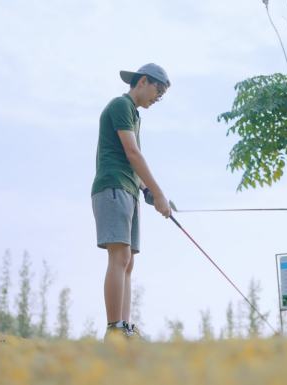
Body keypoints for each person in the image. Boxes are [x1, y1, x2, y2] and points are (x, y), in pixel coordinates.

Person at [91, 63, 172, 339]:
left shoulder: (135, 116)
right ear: (143, 82)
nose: (156, 98)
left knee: (128, 261)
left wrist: (149, 192)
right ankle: (114, 328)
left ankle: (124, 328)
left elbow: (133, 165)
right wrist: (158, 192)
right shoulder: (120, 106)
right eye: (157, 92)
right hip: (112, 186)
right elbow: (132, 153)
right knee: (119, 256)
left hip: (129, 189)